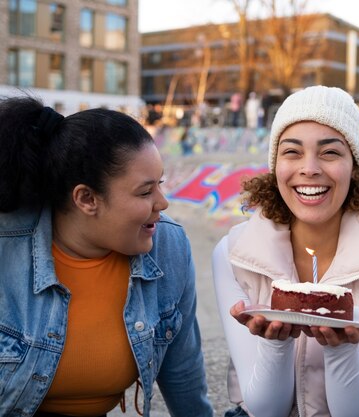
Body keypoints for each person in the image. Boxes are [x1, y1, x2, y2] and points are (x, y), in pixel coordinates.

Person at [212, 85, 359, 417]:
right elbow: (265, 411)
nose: (309, 168)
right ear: (276, 165)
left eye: (329, 152)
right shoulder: (233, 253)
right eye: (292, 152)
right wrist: (275, 343)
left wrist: (342, 352)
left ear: (354, 166)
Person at [0, 96, 213, 417]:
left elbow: (182, 368)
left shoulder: (167, 243)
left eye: (161, 184)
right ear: (86, 198)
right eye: (145, 192)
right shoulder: (6, 244)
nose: (163, 202)